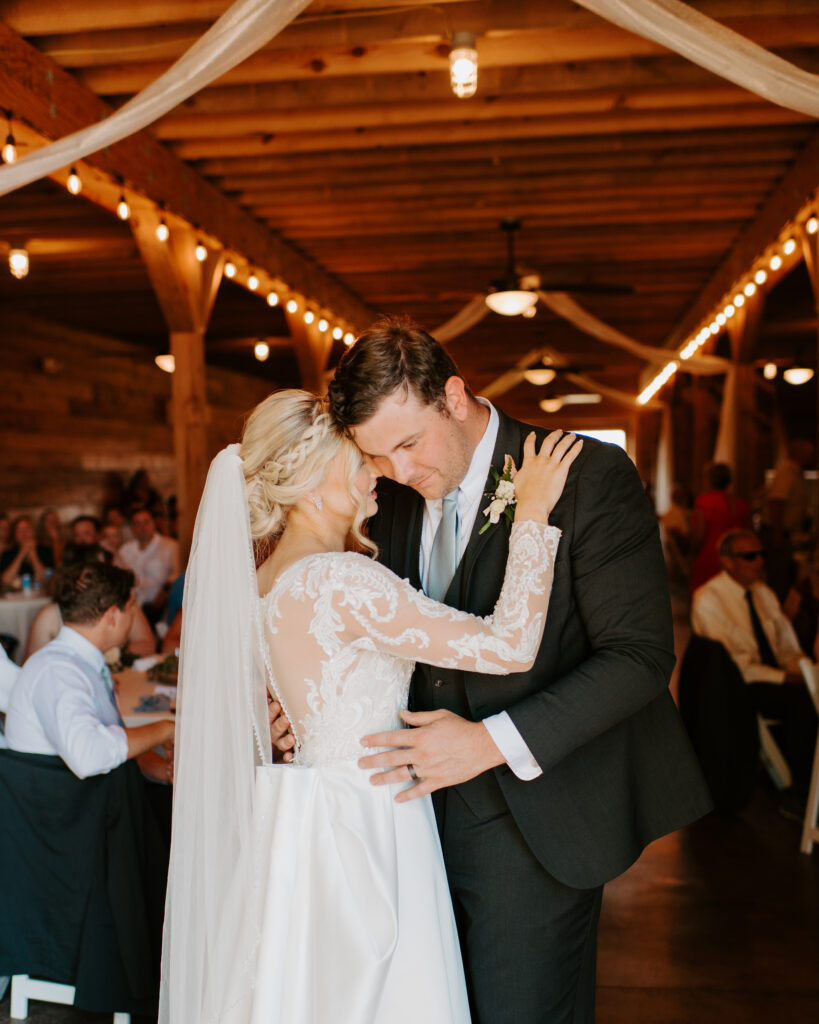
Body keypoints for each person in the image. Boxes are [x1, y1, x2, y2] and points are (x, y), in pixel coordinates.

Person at [261, 316, 712, 1024]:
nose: (400, 472)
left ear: (455, 395)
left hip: (531, 820)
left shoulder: (586, 475)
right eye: (378, 457)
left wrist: (489, 741)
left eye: (408, 443)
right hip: (398, 825)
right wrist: (303, 709)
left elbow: (639, 658)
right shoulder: (392, 495)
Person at [160, 389, 579, 1023]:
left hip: (300, 817)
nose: (376, 472)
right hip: (367, 815)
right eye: (357, 460)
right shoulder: (339, 580)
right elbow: (511, 645)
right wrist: (534, 513)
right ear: (311, 485)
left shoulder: (266, 582)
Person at [5, 561, 174, 781]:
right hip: (69, 810)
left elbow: (117, 745)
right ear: (112, 616)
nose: (134, 614)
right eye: (131, 606)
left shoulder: (83, 664)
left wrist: (165, 772)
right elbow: (88, 755)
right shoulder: (56, 671)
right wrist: (164, 730)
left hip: (99, 800)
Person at [691, 528, 818, 798]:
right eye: (750, 556)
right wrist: (792, 679)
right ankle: (802, 791)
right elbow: (735, 666)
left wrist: (806, 671)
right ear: (727, 561)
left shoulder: (764, 594)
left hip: (775, 677)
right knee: (803, 704)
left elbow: (787, 647)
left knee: (810, 693)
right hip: (738, 687)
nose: (759, 562)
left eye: (762, 555)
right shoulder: (708, 600)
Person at [25, 543, 156, 661]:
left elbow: (147, 644)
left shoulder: (124, 602)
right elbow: (32, 664)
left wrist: (113, 653)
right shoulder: (51, 614)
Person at [689, 462, 750, 592]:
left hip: (710, 558)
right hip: (735, 560)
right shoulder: (740, 504)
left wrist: (691, 554)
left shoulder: (704, 502)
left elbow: (699, 535)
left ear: (709, 480)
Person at [118, 507, 180, 620]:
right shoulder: (125, 550)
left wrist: (164, 593)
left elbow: (176, 573)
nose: (142, 527)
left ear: (153, 523)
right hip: (132, 605)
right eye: (137, 523)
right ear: (132, 527)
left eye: (146, 522)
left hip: (160, 603)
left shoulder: (170, 546)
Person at [0, 515, 54, 586]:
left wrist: (33, 554)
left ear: (34, 531)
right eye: (19, 530)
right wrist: (22, 553)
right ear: (15, 535)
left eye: (27, 529)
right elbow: (5, 580)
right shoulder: (8, 553)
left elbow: (47, 578)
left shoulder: (46, 551)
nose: (24, 533)